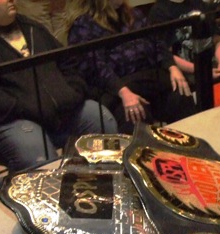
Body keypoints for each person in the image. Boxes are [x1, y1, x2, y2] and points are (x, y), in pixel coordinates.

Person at [0, 0, 117, 172]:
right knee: (34, 144)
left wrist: (71, 93)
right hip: (2, 122)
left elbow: (68, 63)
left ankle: (101, 179)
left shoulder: (32, 28)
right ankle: (50, 186)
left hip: (51, 113)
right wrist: (24, 106)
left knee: (98, 117)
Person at [66, 0, 197, 134]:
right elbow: (95, 67)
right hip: (117, 91)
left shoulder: (134, 15)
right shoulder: (84, 25)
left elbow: (157, 43)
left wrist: (172, 67)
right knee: (134, 114)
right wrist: (123, 91)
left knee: (181, 94)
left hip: (150, 80)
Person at [148, 0, 220, 85]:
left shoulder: (197, 3)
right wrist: (200, 70)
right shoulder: (159, 11)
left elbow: (217, 39)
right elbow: (167, 56)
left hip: (211, 60)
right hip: (187, 70)